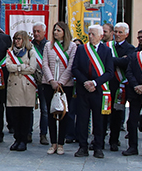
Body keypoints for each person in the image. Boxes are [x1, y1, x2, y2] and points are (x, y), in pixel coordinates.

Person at [70, 24, 112, 158]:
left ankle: (98, 147)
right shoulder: (82, 49)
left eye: (93, 34)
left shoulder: (106, 51)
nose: (90, 36)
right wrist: (85, 82)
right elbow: (75, 68)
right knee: (82, 119)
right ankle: (83, 147)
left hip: (98, 90)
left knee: (99, 120)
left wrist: (95, 83)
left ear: (101, 36)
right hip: (83, 89)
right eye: (89, 34)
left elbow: (109, 72)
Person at [41, 21, 75, 155]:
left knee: (64, 114)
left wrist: (60, 81)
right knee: (51, 113)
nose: (55, 32)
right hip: (49, 84)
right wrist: (51, 80)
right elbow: (45, 64)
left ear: (64, 32)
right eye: (55, 30)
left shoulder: (72, 47)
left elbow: (71, 65)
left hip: (65, 85)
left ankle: (61, 143)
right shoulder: (48, 46)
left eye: (59, 30)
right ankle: (53, 143)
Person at [3, 30, 38, 151]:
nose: (16, 41)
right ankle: (16, 138)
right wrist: (22, 67)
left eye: (19, 39)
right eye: (15, 39)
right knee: (15, 114)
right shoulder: (10, 52)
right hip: (14, 86)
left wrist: (16, 68)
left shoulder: (30, 52)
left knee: (25, 114)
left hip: (26, 86)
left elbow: (32, 68)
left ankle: (23, 139)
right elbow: (8, 66)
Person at [106, 22, 136, 152]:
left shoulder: (130, 48)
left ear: (126, 34)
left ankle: (114, 140)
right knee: (103, 113)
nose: (117, 35)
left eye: (120, 32)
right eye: (116, 32)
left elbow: (127, 62)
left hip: (121, 86)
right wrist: (118, 60)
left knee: (117, 115)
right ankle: (99, 139)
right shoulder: (107, 46)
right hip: (107, 84)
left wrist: (110, 60)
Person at [31, 24, 51, 145]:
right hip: (31, 80)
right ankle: (28, 132)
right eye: (34, 31)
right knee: (29, 108)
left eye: (39, 31)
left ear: (44, 31)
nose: (36, 33)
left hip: (44, 80)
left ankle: (43, 134)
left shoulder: (49, 45)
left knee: (45, 109)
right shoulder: (29, 46)